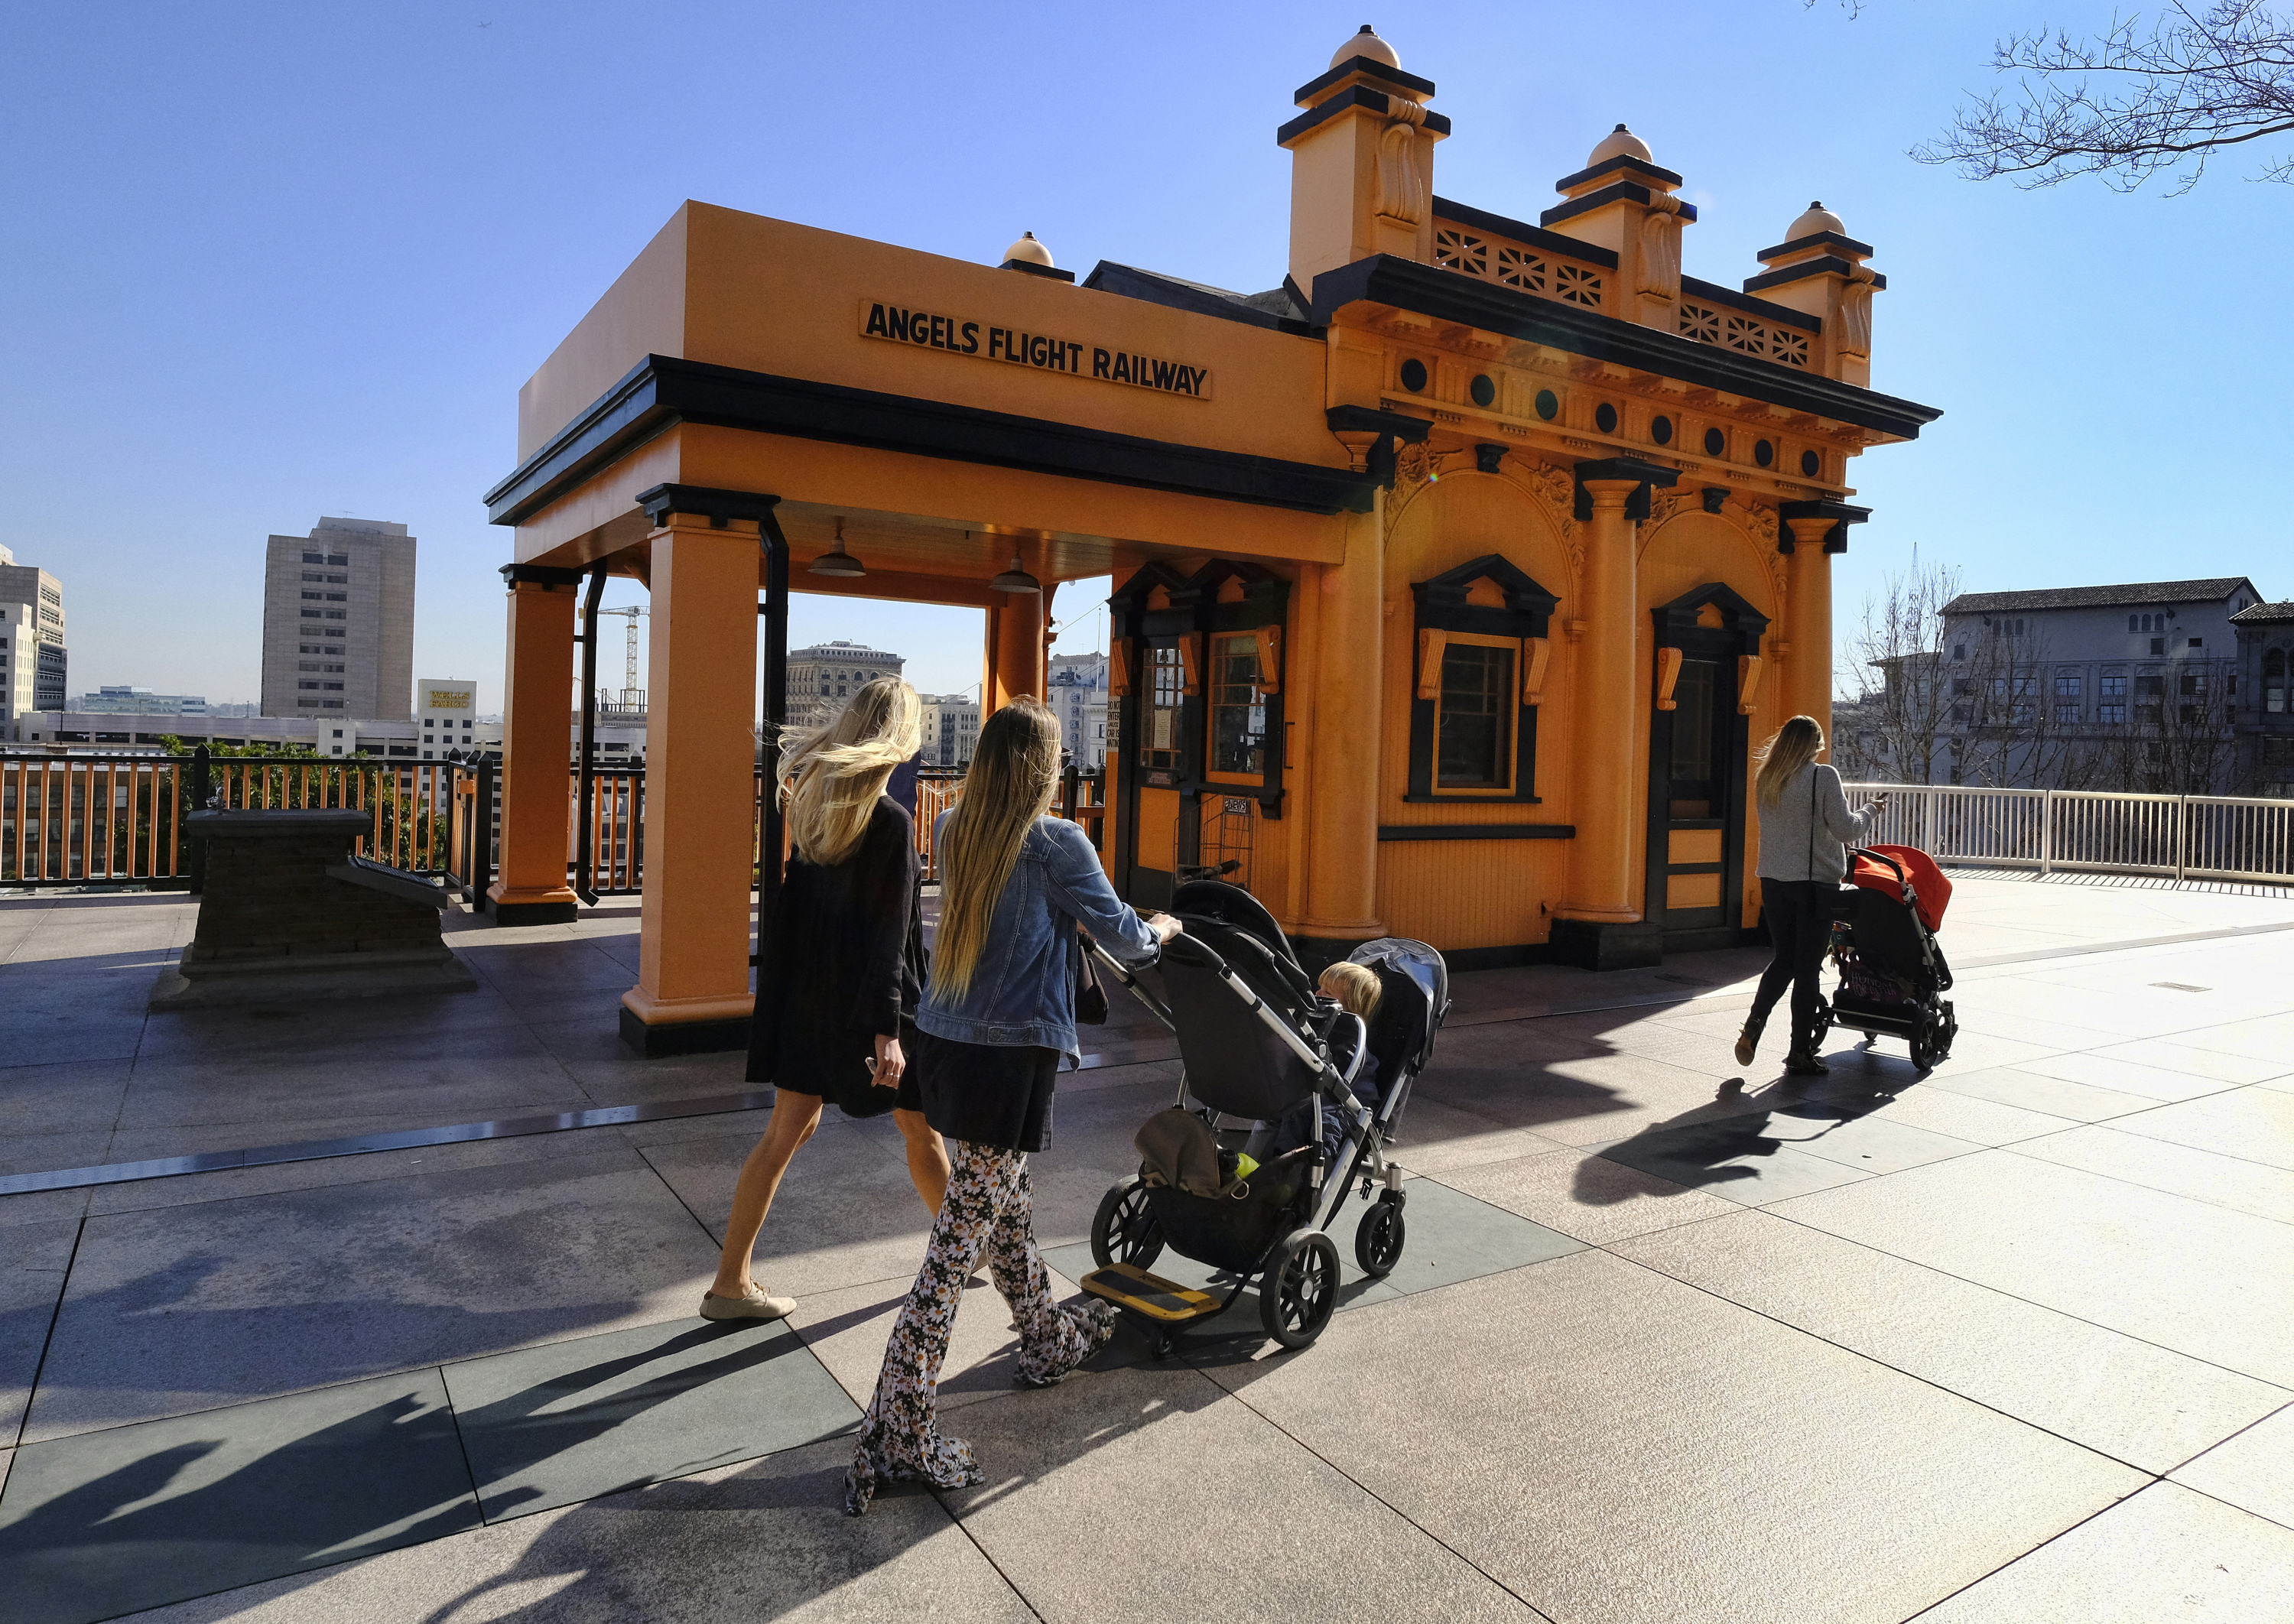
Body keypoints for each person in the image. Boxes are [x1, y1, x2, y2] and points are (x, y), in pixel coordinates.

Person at [845, 697, 1179, 1515]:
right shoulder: (1059, 842)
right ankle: (901, 1430)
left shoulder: (955, 826)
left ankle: (1047, 1340)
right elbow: (1126, 939)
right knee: (954, 1253)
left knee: (1004, 1210)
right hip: (1006, 1060)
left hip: (947, 1046)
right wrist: (1164, 927)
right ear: (1043, 767)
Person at [703, 678, 950, 1323]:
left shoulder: (813, 806)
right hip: (868, 1008)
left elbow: (797, 916)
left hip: (808, 1001)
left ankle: (730, 1282)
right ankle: (965, 1254)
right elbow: (892, 933)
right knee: (920, 1126)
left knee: (788, 1130)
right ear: (900, 734)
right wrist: (888, 1029)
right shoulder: (892, 822)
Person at [1736, 714, 1886, 1076]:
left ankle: (1754, 1026)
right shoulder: (1822, 776)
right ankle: (1799, 1052)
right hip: (1813, 885)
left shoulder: (1767, 777)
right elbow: (1846, 830)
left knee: (1783, 959)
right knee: (1807, 970)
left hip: (1773, 881)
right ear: (1815, 744)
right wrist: (1871, 810)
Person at [1260, 961, 1385, 1164]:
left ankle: (1313, 1165)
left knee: (1319, 1118)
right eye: (1320, 988)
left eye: (1328, 992)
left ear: (1350, 1004)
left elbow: (1339, 1078)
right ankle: (1270, 1166)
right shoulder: (1317, 1027)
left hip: (1348, 1100)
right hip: (1318, 1093)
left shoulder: (1350, 1041)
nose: (1318, 994)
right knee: (1284, 1111)